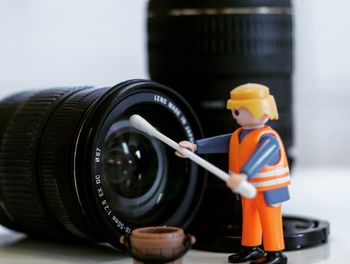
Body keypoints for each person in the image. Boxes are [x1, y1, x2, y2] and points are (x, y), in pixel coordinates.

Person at [176, 83, 290, 264]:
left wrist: (244, 174)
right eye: (234, 110)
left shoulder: (268, 138)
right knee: (249, 218)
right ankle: (251, 248)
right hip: (246, 188)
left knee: (270, 220)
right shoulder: (239, 134)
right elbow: (221, 143)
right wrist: (196, 146)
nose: (235, 114)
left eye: (239, 110)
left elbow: (260, 158)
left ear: (261, 110)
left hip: (269, 189)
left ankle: (275, 253)